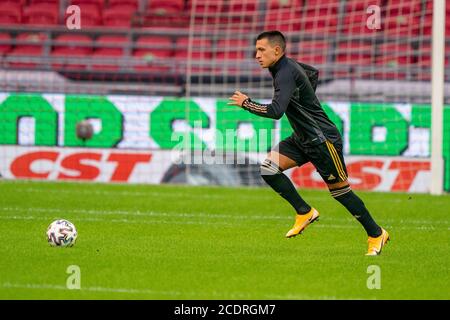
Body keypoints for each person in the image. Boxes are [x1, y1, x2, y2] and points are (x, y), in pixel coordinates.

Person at [228, 31, 389, 256]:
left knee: (341, 193)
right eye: (256, 50)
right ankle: (304, 212)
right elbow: (312, 74)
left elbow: (275, 111)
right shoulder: (285, 68)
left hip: (322, 140)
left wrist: (247, 103)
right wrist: (304, 98)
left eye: (261, 50)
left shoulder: (284, 73)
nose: (257, 55)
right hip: (302, 137)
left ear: (277, 50)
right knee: (268, 169)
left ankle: (376, 233)